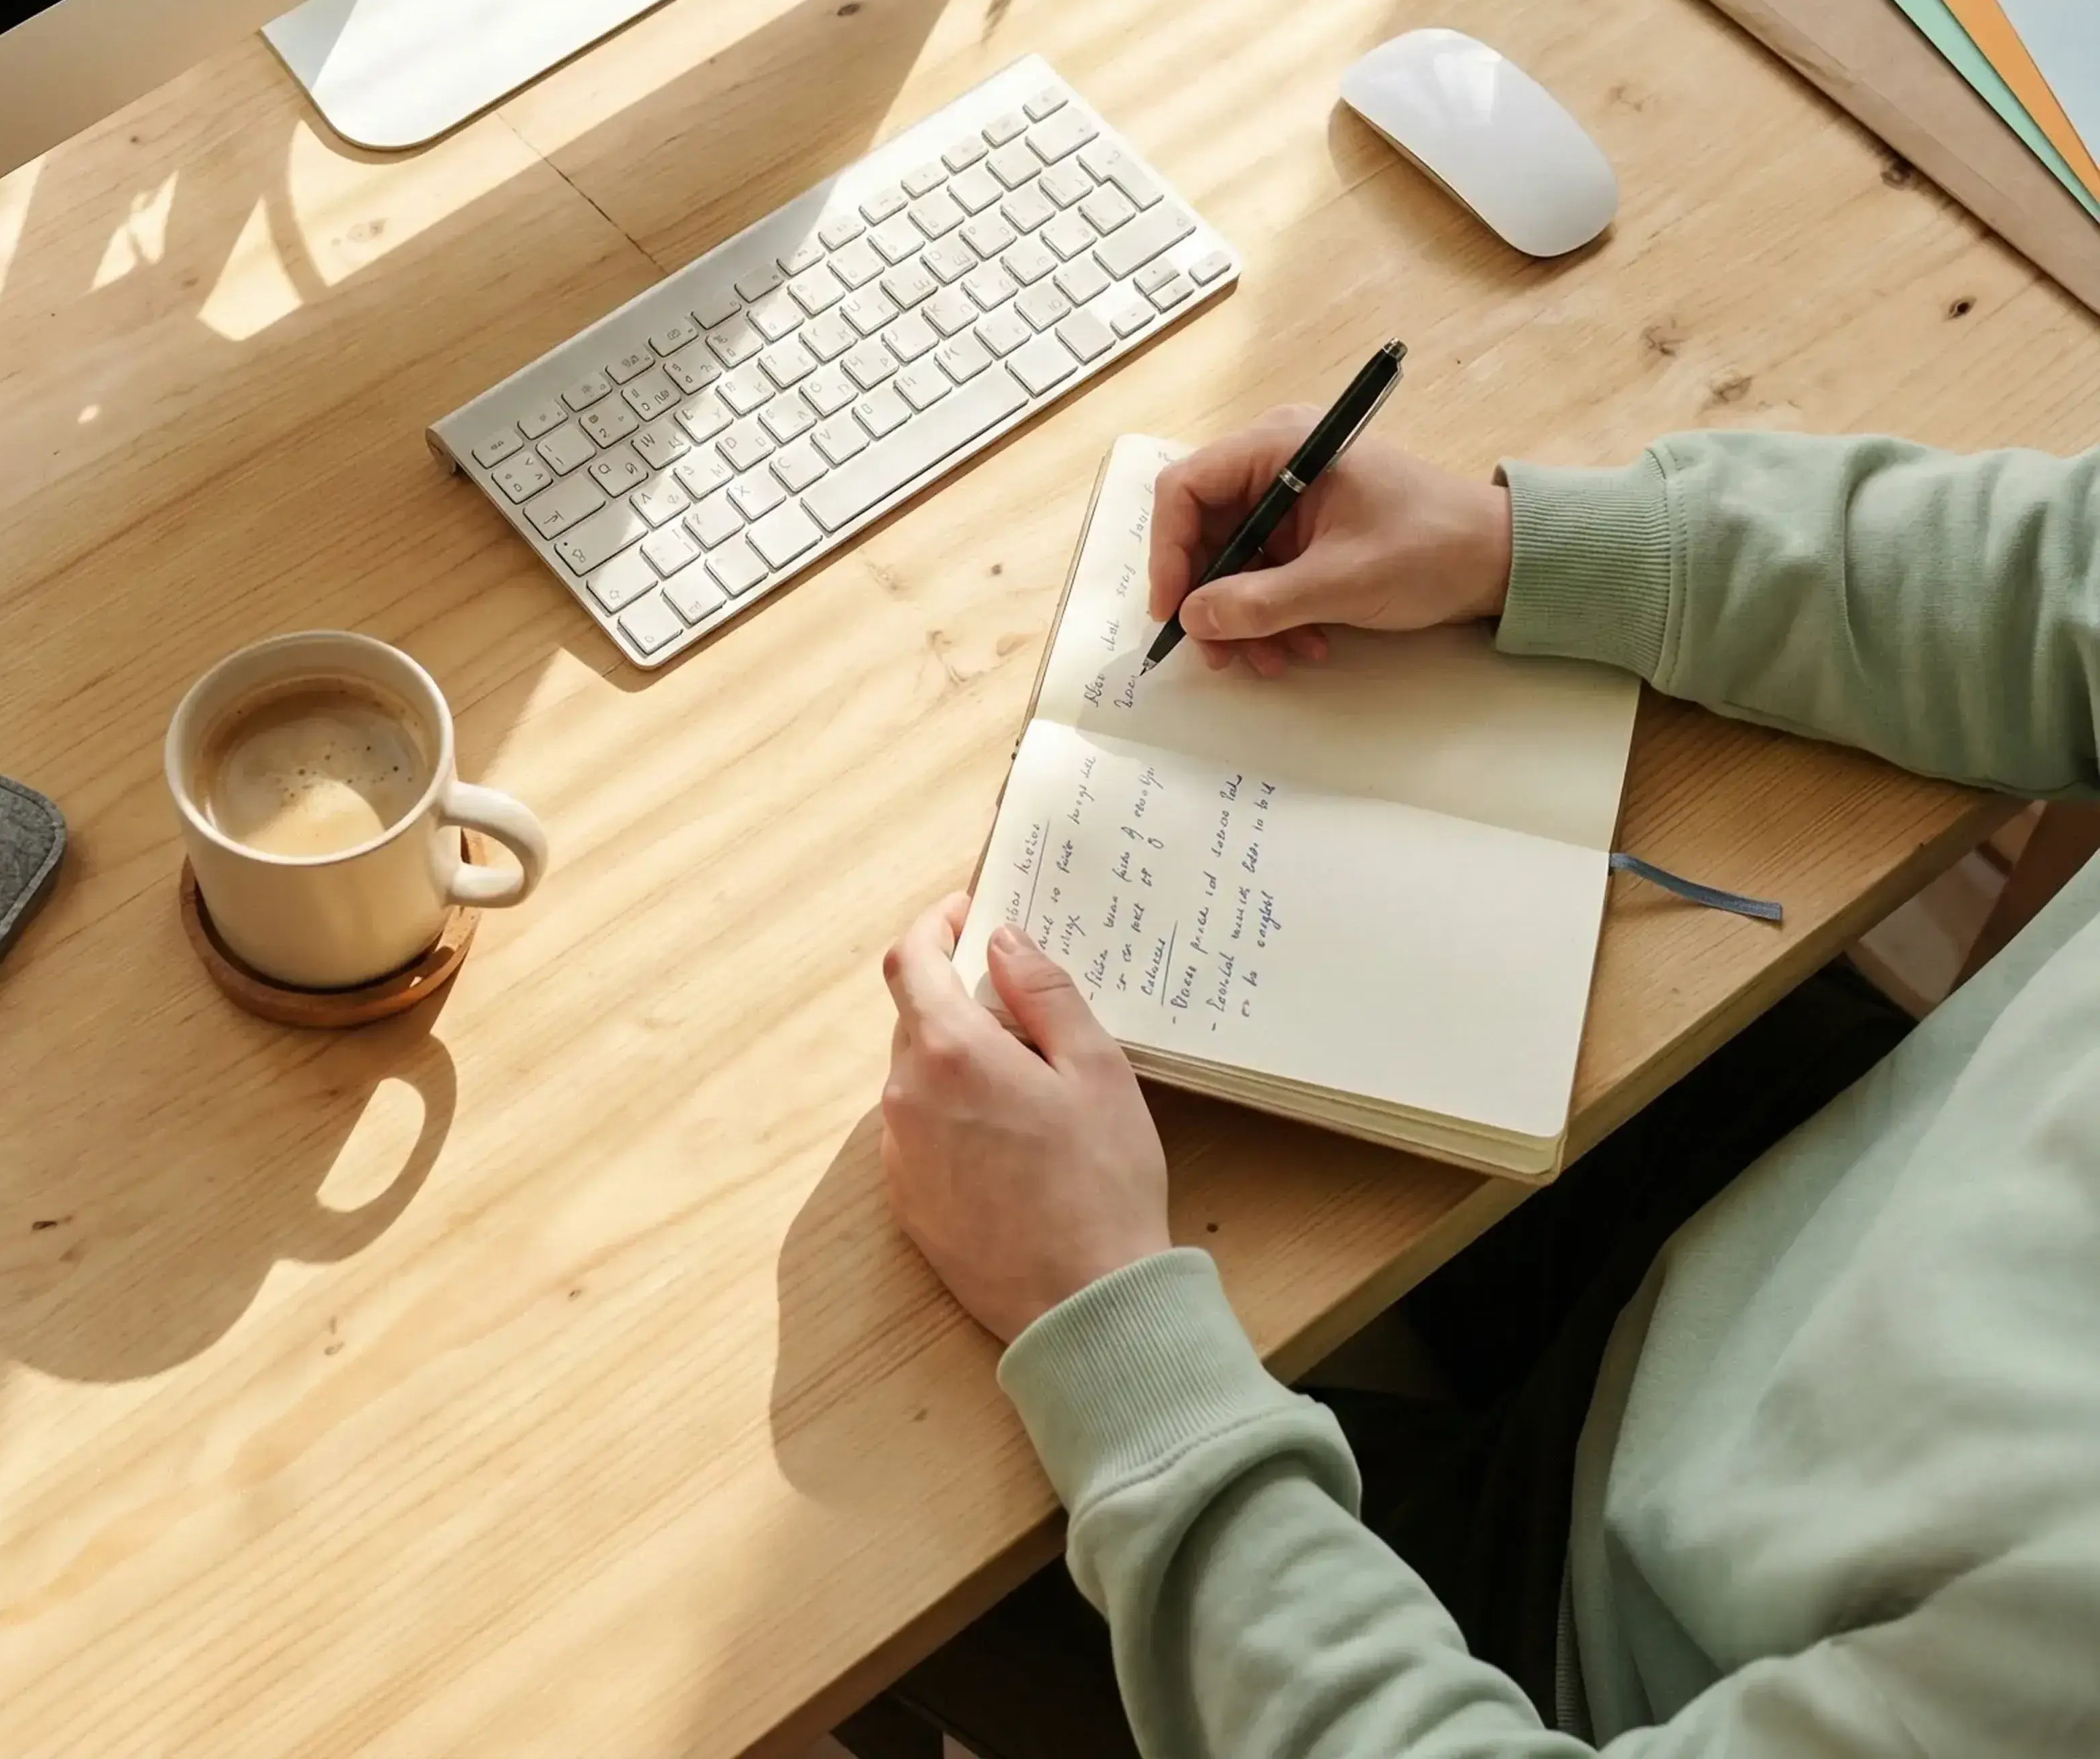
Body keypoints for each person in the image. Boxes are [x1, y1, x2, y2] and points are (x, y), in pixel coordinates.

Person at [872, 411, 2100, 1759]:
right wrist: (1526, 548)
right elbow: (2064, 577)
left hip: (1593, 1660)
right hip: (1827, 1217)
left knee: (868, 1544)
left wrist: (1103, 1330)